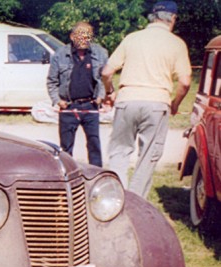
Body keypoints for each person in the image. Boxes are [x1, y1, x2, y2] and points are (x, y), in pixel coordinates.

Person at [102, 1, 191, 198]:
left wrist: (110, 92)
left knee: (119, 152)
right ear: (173, 18)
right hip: (157, 103)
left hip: (127, 99)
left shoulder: (132, 38)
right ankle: (135, 201)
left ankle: (117, 197)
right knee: (148, 156)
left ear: (152, 16)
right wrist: (175, 104)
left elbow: (107, 72)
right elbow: (185, 83)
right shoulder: (176, 43)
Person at [47, 22, 108, 167]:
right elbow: (51, 81)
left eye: (87, 36)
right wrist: (57, 100)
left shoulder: (100, 53)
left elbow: (105, 79)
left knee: (94, 144)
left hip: (91, 106)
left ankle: (96, 175)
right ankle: (67, 175)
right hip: (68, 106)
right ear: (72, 36)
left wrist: (101, 96)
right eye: (80, 36)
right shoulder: (60, 55)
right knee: (66, 147)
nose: (84, 39)